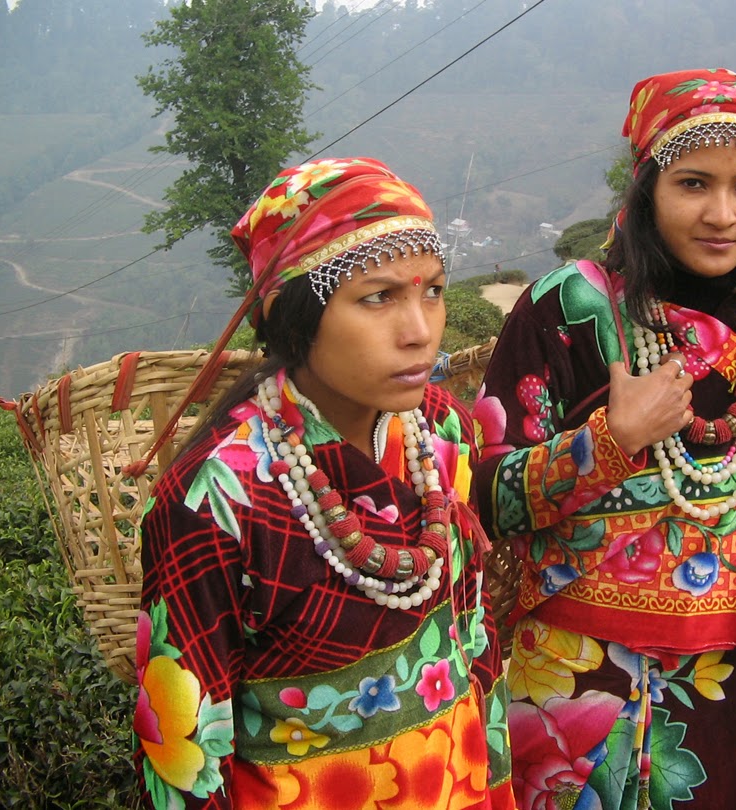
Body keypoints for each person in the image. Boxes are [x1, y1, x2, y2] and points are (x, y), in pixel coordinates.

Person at [474, 69, 736, 810]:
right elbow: (484, 500)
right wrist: (610, 441)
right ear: (646, 190)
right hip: (570, 688)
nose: (724, 214)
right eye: (694, 184)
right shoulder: (566, 314)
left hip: (727, 686)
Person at [133, 157, 517, 809]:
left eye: (432, 290)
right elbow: (184, 750)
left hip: (459, 780)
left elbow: (473, 636)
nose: (420, 330)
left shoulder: (445, 432)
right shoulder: (217, 497)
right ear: (294, 315)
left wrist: (496, 779)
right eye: (378, 297)